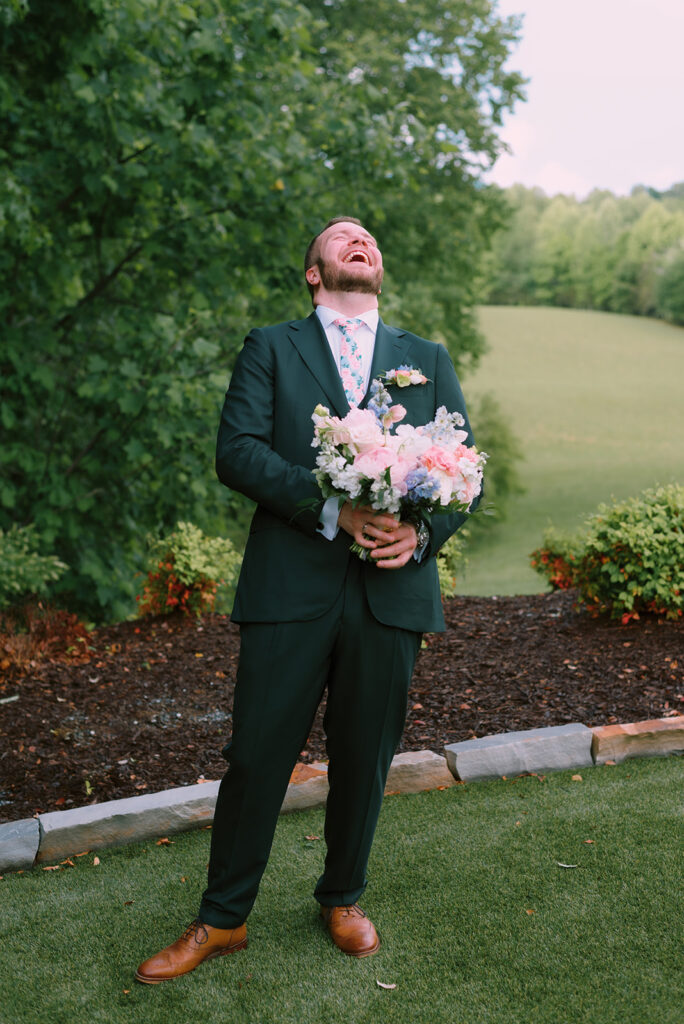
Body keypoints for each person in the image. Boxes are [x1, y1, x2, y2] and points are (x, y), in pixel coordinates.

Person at [135, 217, 478, 984]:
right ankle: (223, 919)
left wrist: (419, 541)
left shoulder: (426, 359)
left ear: (378, 268)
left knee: (366, 754)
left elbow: (467, 472)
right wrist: (332, 511)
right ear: (314, 273)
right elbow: (239, 451)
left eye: (368, 238)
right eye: (341, 236)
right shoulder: (272, 347)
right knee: (257, 755)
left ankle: (344, 898)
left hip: (391, 592)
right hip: (291, 587)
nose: (360, 239)